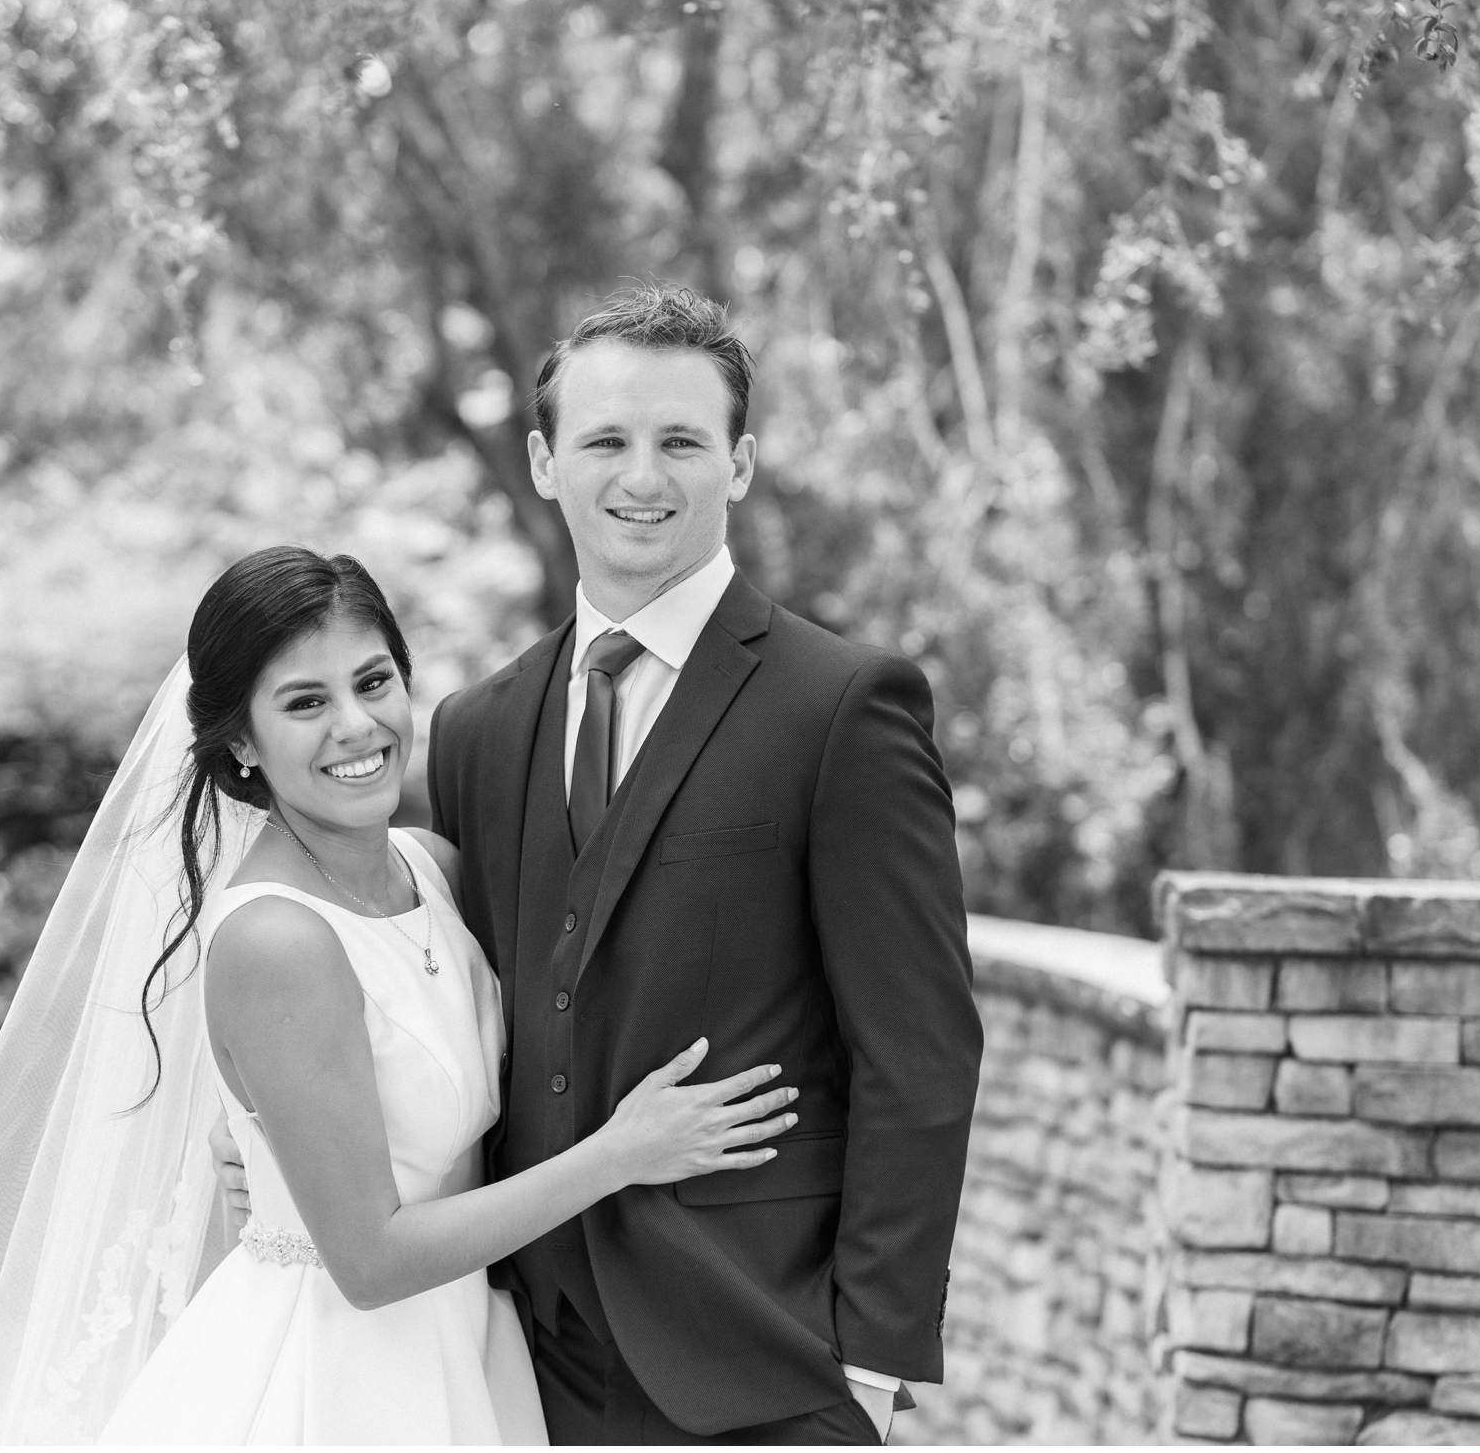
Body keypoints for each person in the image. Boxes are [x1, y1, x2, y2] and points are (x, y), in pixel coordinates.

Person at [221, 282, 981, 1442]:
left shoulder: (839, 708)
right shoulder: (475, 729)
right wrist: (280, 1156)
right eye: (605, 440)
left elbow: (919, 1051)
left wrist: (869, 1359)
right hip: (522, 1361)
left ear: (738, 462)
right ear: (542, 461)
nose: (642, 476)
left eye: (681, 440)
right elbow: (446, 1004)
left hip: (765, 1358)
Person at [0, 547, 798, 1445]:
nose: (356, 726)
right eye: (306, 702)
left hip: (473, 1345)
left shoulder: (433, 872)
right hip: (341, 1373)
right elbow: (372, 1262)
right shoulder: (276, 941)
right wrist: (623, 1152)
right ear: (243, 745)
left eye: (374, 681)